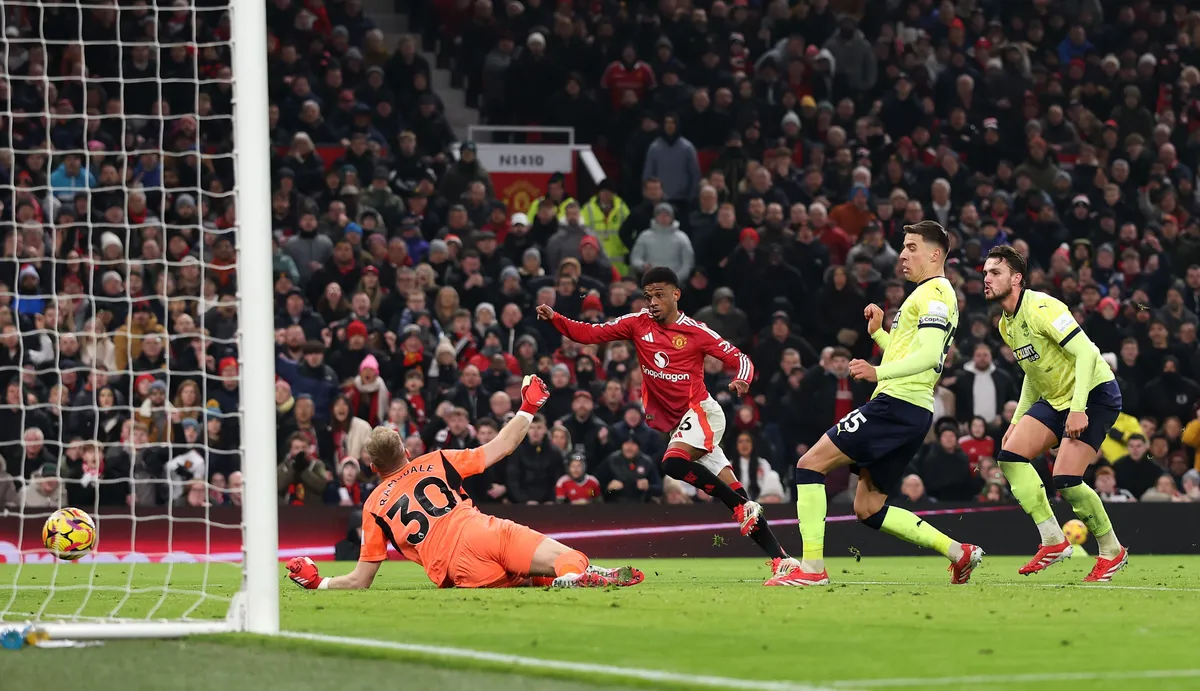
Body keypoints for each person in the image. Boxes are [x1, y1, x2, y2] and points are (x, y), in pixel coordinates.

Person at [536, 267, 798, 577]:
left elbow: (740, 358)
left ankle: (742, 506)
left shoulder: (696, 331)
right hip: (680, 425)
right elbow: (590, 333)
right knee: (737, 498)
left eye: (659, 295)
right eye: (648, 296)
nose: (652, 302)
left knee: (672, 463)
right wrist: (556, 319)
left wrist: (742, 379)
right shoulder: (637, 324)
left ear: (676, 294)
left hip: (701, 413)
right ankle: (783, 560)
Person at [769, 221, 983, 587]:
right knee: (868, 508)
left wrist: (877, 372)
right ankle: (958, 552)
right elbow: (911, 352)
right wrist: (880, 335)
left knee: (809, 465)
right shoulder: (929, 294)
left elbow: (930, 357)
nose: (902, 255)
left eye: (912, 247)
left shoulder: (934, 293)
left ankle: (813, 569)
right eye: (903, 247)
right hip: (911, 410)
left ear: (935, 254)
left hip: (896, 405)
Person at [286, 375, 643, 590]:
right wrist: (528, 408)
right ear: (406, 451)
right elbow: (502, 447)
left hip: (457, 570)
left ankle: (576, 577)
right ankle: (578, 572)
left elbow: (360, 580)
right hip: (481, 531)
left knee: (528, 577)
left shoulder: (374, 505)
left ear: (372, 466)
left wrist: (319, 582)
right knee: (567, 557)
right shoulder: (437, 460)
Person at [982, 244, 1129, 582]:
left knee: (1066, 479)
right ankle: (1053, 539)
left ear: (1016, 278)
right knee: (1010, 458)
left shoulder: (1042, 307)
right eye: (985, 272)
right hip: (1055, 398)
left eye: (995, 272)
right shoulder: (1005, 325)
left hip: (1094, 393)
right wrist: (1016, 421)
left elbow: (1086, 353)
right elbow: (1032, 373)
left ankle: (1111, 550)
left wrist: (1078, 409)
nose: (986, 278)